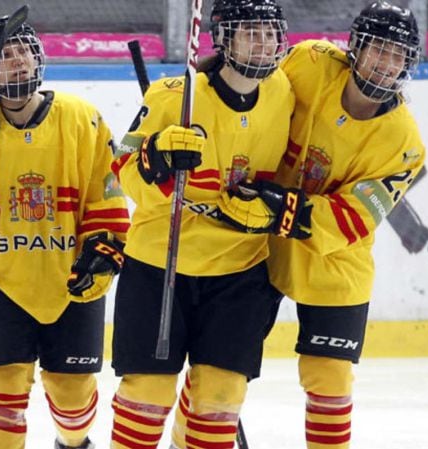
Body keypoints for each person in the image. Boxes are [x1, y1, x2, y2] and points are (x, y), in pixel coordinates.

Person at [108, 1, 310, 448]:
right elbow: (122, 170)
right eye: (250, 32)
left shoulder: (283, 92)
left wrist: (274, 209)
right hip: (159, 265)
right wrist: (154, 158)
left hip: (240, 271)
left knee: (221, 395)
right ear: (223, 37)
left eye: (271, 32)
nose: (263, 42)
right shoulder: (172, 97)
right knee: (148, 393)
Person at [0, 13, 130, 449]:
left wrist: (103, 250)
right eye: (4, 55)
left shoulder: (83, 119)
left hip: (70, 276)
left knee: (72, 395)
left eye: (23, 50)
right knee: (3, 388)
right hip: (1, 277)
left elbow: (107, 194)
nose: (17, 61)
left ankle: (73, 442)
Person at [265, 2, 426, 448]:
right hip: (253, 241)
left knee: (329, 379)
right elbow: (245, 87)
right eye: (380, 49)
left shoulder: (405, 144)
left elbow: (354, 219)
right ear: (355, 46)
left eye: (399, 55)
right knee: (221, 369)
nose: (388, 64)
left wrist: (282, 205)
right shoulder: (310, 63)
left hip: (334, 261)